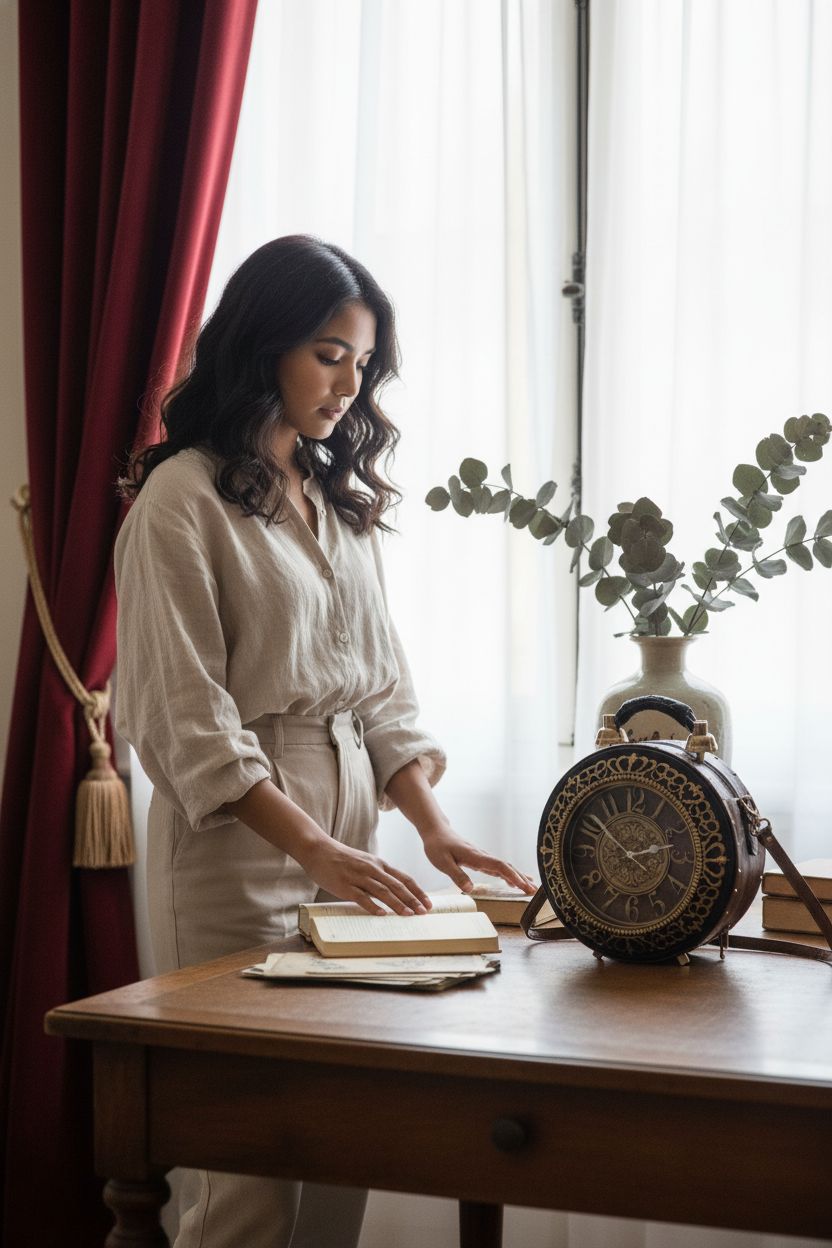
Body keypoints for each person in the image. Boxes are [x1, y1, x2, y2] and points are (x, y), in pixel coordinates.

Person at [114, 235, 533, 1248]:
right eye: (329, 354)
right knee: (247, 1175)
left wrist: (430, 829)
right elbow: (184, 719)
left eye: (363, 362)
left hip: (350, 842)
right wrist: (315, 848)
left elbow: (382, 694)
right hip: (235, 853)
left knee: (345, 1147)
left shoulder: (337, 501)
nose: (349, 385)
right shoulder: (181, 501)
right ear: (263, 346)